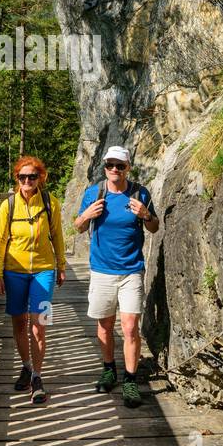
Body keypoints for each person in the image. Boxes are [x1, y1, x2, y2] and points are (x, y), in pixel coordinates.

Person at [73, 145, 158, 408]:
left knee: (131, 327)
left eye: (119, 166)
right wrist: (86, 215)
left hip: (132, 270)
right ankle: (109, 369)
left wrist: (145, 214)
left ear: (128, 168)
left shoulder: (140, 193)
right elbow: (77, 227)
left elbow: (154, 227)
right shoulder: (94, 193)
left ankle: (130, 380)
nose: (114, 170)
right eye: (110, 165)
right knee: (105, 326)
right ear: (105, 167)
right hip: (101, 271)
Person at [0, 155, 66, 405]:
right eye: (22, 177)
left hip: (44, 271)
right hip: (14, 271)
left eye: (32, 177)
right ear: (17, 178)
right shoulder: (8, 205)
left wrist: (62, 266)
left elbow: (57, 236)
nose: (27, 181)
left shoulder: (50, 202)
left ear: (40, 178)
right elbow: (0, 240)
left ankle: (37, 376)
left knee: (40, 323)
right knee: (19, 322)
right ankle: (25, 366)